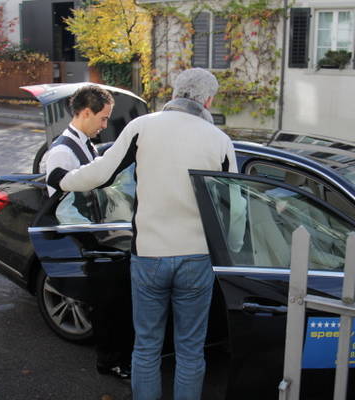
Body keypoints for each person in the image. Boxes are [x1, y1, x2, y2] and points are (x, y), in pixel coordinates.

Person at [47, 68, 245, 399]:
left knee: (147, 346)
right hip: (196, 258)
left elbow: (102, 172)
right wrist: (232, 250)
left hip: (150, 255)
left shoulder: (142, 127)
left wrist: (61, 179)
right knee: (190, 350)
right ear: (208, 100)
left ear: (175, 92)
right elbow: (235, 207)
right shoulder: (219, 141)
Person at [45, 85, 133, 380]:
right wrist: (97, 235)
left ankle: (117, 357)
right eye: (103, 118)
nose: (105, 125)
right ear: (85, 113)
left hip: (100, 234)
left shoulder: (85, 145)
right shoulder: (62, 152)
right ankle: (109, 362)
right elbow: (62, 206)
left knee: (114, 304)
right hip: (89, 240)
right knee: (106, 307)